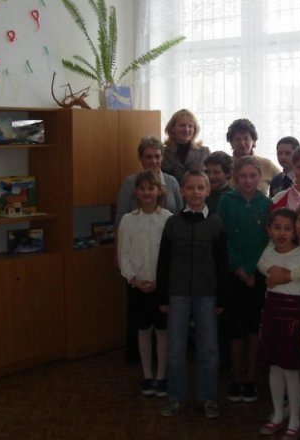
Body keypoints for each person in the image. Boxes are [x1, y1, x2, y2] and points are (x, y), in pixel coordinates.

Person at [157, 170, 228, 418]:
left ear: (208, 191)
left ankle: (208, 397)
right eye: (190, 188)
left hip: (207, 294)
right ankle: (176, 397)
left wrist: (222, 297)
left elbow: (222, 263)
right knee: (175, 349)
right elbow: (163, 261)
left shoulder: (216, 223)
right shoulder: (172, 223)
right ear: (182, 191)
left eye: (200, 188)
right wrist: (162, 296)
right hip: (177, 294)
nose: (195, 192)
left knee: (208, 349)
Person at [115, 135, 183, 364]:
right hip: (137, 256)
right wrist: (119, 257)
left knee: (163, 315)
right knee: (139, 314)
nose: (153, 161)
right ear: (141, 159)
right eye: (148, 157)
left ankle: (163, 361)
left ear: (162, 158)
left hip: (164, 258)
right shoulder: (131, 183)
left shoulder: (172, 182)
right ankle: (139, 358)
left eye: (157, 156)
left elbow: (180, 213)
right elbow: (120, 217)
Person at [257, 208, 300, 440]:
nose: (282, 233)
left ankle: (294, 420)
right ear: (268, 230)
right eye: (277, 227)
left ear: (295, 231)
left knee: (291, 372)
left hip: (294, 320)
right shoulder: (267, 254)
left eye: (287, 228)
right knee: (274, 368)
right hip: (272, 317)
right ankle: (278, 415)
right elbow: (265, 281)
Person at [217, 156, 272, 403]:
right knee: (236, 330)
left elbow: (267, 240)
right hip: (233, 276)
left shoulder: (267, 203)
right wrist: (240, 268)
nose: (248, 181)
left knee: (253, 328)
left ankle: (250, 379)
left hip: (258, 275)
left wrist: (251, 269)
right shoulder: (226, 201)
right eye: (243, 176)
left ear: (260, 177)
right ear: (235, 178)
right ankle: (236, 378)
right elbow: (223, 237)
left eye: (252, 176)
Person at [117, 170, 172, 397]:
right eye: (142, 188)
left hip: (161, 287)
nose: (147, 192)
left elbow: (171, 256)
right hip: (138, 286)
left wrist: (160, 282)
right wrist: (134, 279)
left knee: (162, 331)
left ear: (159, 191)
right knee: (143, 330)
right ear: (136, 192)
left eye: (151, 187)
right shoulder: (128, 220)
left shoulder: (168, 218)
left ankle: (161, 376)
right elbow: (124, 254)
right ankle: (147, 375)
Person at [226, 118, 280, 195]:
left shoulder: (266, 164)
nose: (242, 143)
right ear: (231, 143)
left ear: (253, 141)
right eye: (238, 139)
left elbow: (284, 182)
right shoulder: (225, 165)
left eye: (246, 139)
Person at [161, 108, 210, 184]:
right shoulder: (163, 153)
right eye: (182, 125)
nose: (186, 130)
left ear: (195, 129)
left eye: (190, 126)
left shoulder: (204, 152)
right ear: (172, 128)